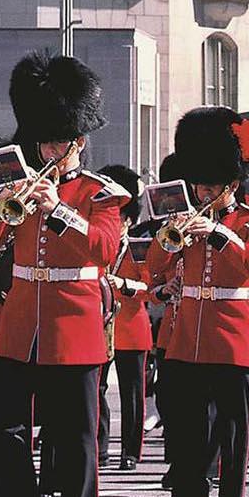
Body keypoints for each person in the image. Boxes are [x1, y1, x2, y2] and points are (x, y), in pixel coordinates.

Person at [0, 50, 127, 497]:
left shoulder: (100, 193)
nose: (50, 148)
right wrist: (1, 205)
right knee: (2, 430)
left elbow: (104, 249)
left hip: (73, 327)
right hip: (21, 325)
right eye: (44, 140)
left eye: (59, 140)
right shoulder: (21, 182)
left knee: (75, 438)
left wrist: (57, 211)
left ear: (78, 140)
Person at [146, 106, 249, 497]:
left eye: (211, 185)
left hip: (232, 344)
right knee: (186, 434)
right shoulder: (187, 217)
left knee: (233, 438)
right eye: (200, 183)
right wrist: (171, 235)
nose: (202, 191)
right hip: (187, 342)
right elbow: (156, 267)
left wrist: (218, 235)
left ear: (233, 184)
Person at [97, 164, 150, 472]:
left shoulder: (140, 249)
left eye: (117, 218)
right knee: (98, 390)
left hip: (132, 327)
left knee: (133, 395)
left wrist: (126, 286)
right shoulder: (98, 247)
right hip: (101, 328)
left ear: (128, 221)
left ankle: (131, 450)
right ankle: (100, 446)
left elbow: (152, 287)